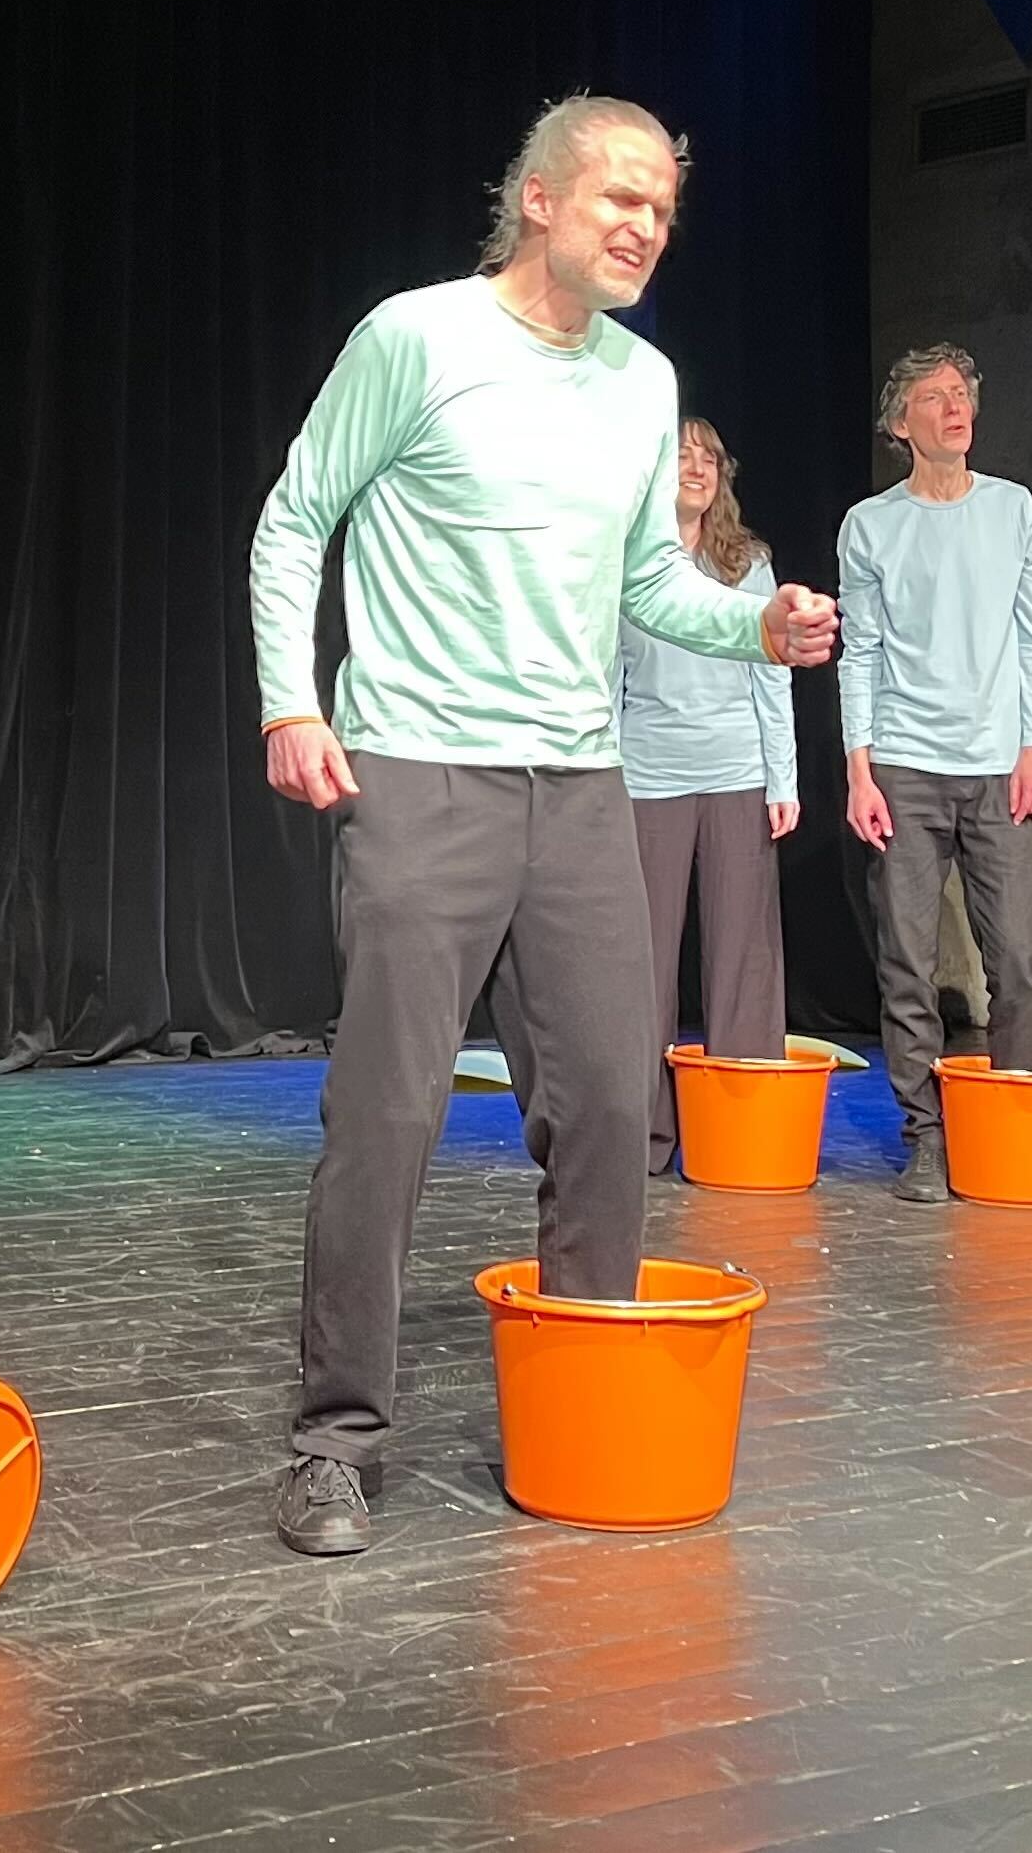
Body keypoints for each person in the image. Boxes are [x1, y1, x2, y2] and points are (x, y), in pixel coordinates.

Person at [249, 97, 840, 1555]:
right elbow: (295, 519)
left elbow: (648, 578)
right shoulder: (418, 338)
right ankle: (336, 1442)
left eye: (662, 211)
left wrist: (755, 624)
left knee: (608, 1114)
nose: (644, 227)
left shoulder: (645, 381)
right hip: (421, 770)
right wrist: (291, 703)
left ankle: (588, 1406)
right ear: (539, 198)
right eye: (619, 198)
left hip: (581, 787)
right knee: (387, 1116)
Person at [839, 345, 1032, 1205]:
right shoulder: (871, 525)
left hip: (1000, 766)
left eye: (961, 392)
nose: (954, 406)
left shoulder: (1013, 508)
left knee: (1020, 961)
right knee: (908, 964)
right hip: (904, 766)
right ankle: (925, 1137)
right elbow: (860, 652)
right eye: (933, 396)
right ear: (901, 423)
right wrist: (860, 771)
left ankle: (1012, 1128)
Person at [618, 417, 801, 1178]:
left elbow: (771, 672)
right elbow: (607, 677)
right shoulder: (626, 563)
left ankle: (738, 1136)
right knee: (641, 963)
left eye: (709, 458)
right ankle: (639, 1139)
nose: (696, 467)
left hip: (735, 773)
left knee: (743, 961)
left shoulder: (747, 564)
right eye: (681, 455)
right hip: (646, 776)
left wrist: (783, 779)